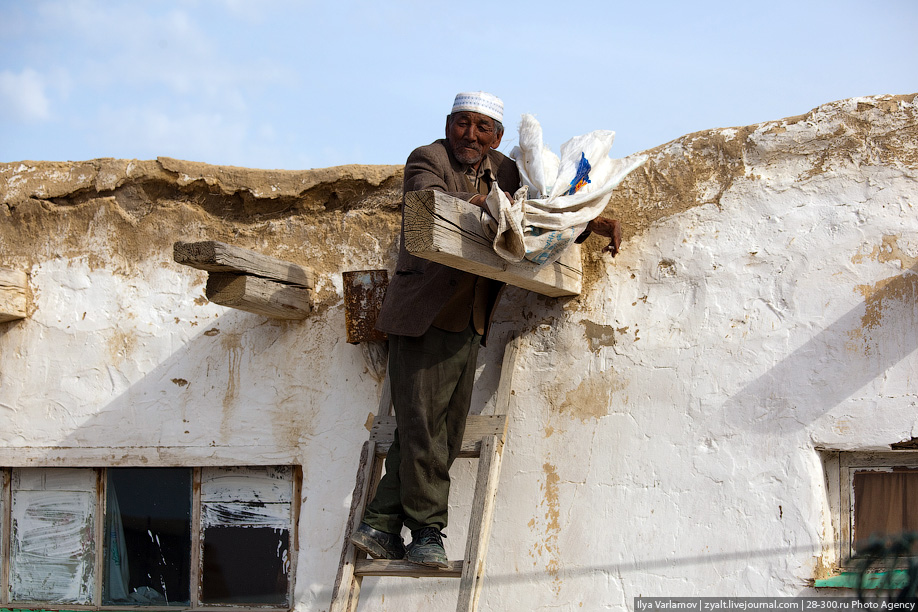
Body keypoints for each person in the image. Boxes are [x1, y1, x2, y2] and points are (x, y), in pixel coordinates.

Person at [349, 91, 622, 568]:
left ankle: (379, 525)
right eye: (462, 124)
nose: (470, 135)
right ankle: (428, 531)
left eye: (482, 128)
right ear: (448, 123)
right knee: (423, 429)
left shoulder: (506, 168)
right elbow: (430, 202)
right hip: (423, 316)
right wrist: (480, 200)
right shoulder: (426, 158)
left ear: (497, 136)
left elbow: (539, 209)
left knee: (445, 432)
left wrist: (591, 224)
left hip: (470, 317)